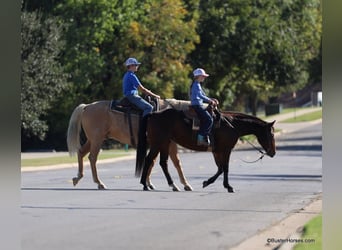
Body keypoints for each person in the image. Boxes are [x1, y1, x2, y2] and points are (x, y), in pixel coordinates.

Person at [190, 68, 219, 146]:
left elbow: (203, 95)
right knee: (209, 119)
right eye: (202, 76)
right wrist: (210, 101)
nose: (204, 78)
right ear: (198, 76)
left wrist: (211, 99)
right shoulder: (196, 84)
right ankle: (201, 138)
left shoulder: (198, 84)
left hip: (199, 104)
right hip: (197, 105)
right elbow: (199, 95)